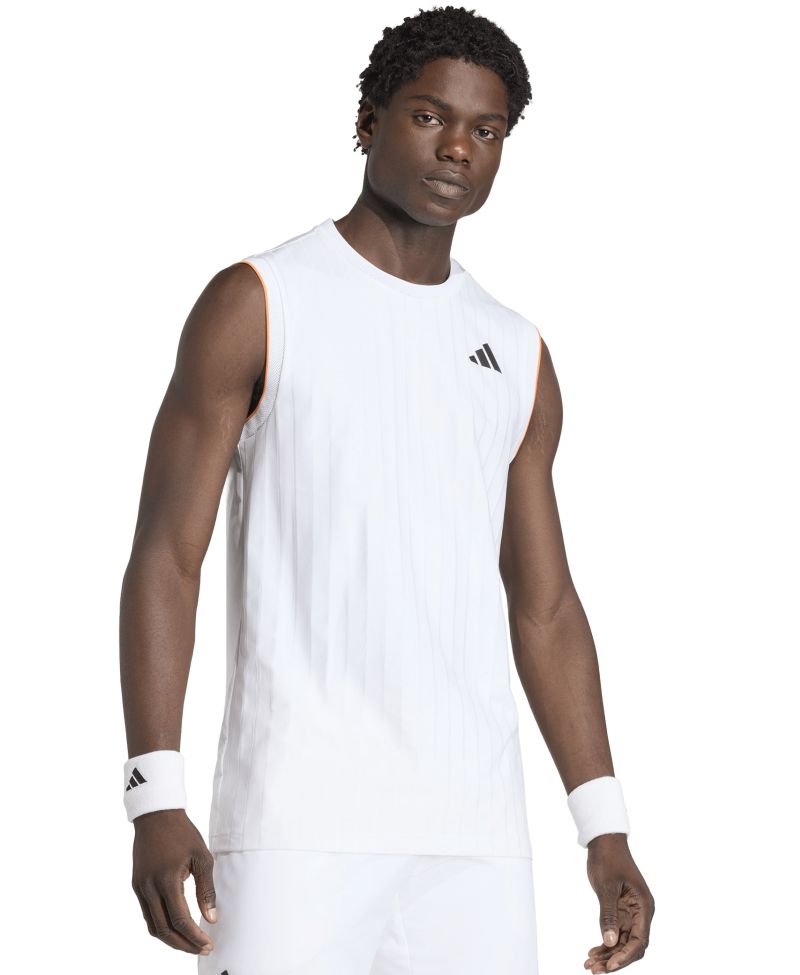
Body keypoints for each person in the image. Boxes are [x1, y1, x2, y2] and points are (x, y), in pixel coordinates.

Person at [120, 6, 655, 974]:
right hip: (295, 828)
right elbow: (167, 557)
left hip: (474, 842)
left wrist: (603, 827)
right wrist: (155, 794)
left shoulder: (517, 353)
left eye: (486, 129)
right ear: (367, 121)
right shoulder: (259, 302)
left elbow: (544, 608)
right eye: (428, 116)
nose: (457, 147)